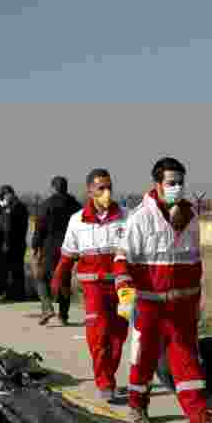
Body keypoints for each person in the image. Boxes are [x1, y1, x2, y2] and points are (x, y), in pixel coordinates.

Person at [114, 157, 212, 423]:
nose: (176, 187)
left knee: (187, 359)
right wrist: (126, 294)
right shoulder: (140, 218)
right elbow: (121, 260)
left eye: (180, 182)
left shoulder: (191, 219)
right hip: (150, 306)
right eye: (171, 183)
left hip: (182, 308)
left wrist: (197, 302)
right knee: (143, 359)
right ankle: (136, 408)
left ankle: (199, 418)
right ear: (157, 184)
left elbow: (195, 263)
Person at [52, 169, 129, 403]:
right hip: (93, 288)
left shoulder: (127, 217)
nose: (106, 193)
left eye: (109, 188)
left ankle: (110, 377)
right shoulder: (77, 220)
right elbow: (67, 257)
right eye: (101, 188)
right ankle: (104, 383)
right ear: (90, 191)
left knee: (117, 337)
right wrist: (59, 279)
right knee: (99, 334)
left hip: (121, 287)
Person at [33, 175, 82, 325]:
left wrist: (36, 245)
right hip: (70, 247)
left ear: (53, 188)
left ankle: (47, 308)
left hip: (50, 247)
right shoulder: (76, 205)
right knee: (64, 280)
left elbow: (39, 227)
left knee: (41, 278)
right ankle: (63, 315)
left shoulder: (46, 205)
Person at [0, 185, 30, 300]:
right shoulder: (11, 207)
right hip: (12, 242)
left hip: (14, 243)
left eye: (4, 196)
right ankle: (15, 293)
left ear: (10, 194)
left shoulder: (17, 207)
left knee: (14, 269)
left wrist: (6, 243)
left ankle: (15, 294)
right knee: (13, 269)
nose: (3, 199)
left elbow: (9, 227)